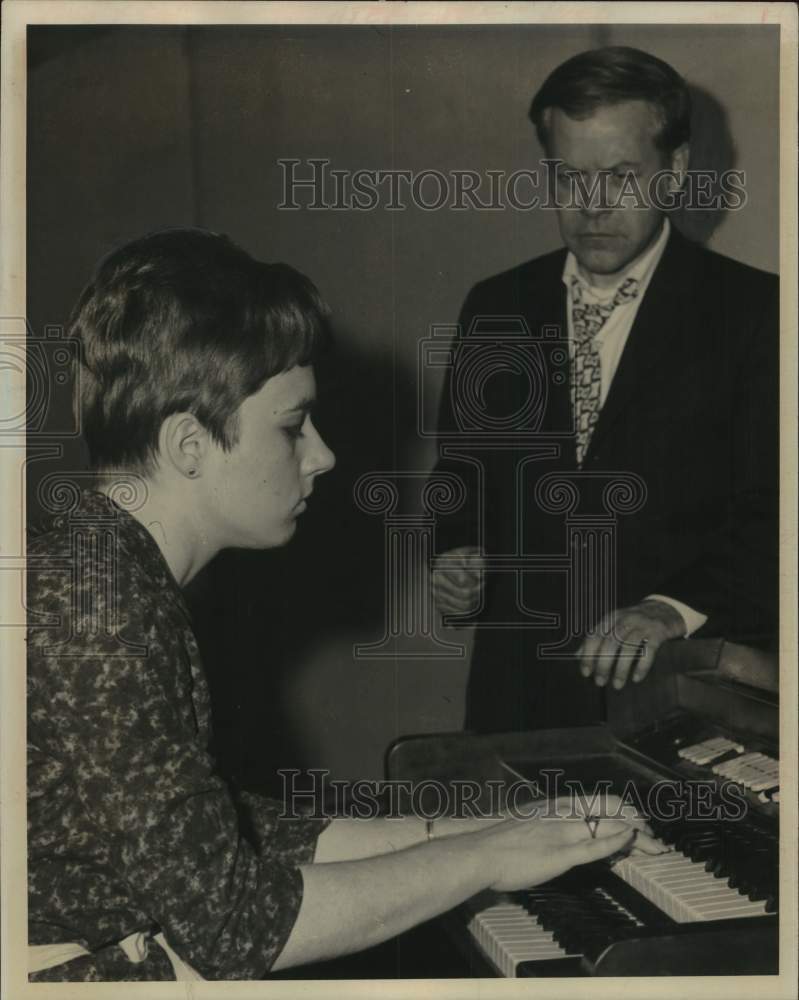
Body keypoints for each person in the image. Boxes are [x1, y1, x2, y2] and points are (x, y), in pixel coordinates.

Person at [26, 228, 662, 982]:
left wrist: (464, 827)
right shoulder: (95, 613)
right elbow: (236, 926)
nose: (322, 455)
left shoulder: (100, 567)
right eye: (293, 427)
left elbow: (209, 836)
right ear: (189, 444)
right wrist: (489, 855)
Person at [431, 46, 778, 732]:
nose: (591, 206)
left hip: (681, 694)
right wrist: (456, 552)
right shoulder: (495, 305)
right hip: (517, 700)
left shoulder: (757, 314)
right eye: (569, 177)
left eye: (620, 176)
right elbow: (461, 474)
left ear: (673, 171)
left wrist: (667, 609)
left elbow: (777, 515)